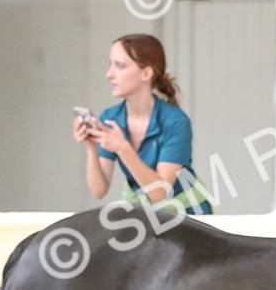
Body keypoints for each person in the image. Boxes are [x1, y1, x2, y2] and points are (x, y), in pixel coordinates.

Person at [75, 34, 211, 214]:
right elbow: (99, 190)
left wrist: (123, 149)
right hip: (145, 214)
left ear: (146, 73)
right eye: (110, 64)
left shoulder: (176, 122)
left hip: (188, 214)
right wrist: (91, 146)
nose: (109, 74)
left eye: (120, 66)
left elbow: (160, 193)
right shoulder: (110, 118)